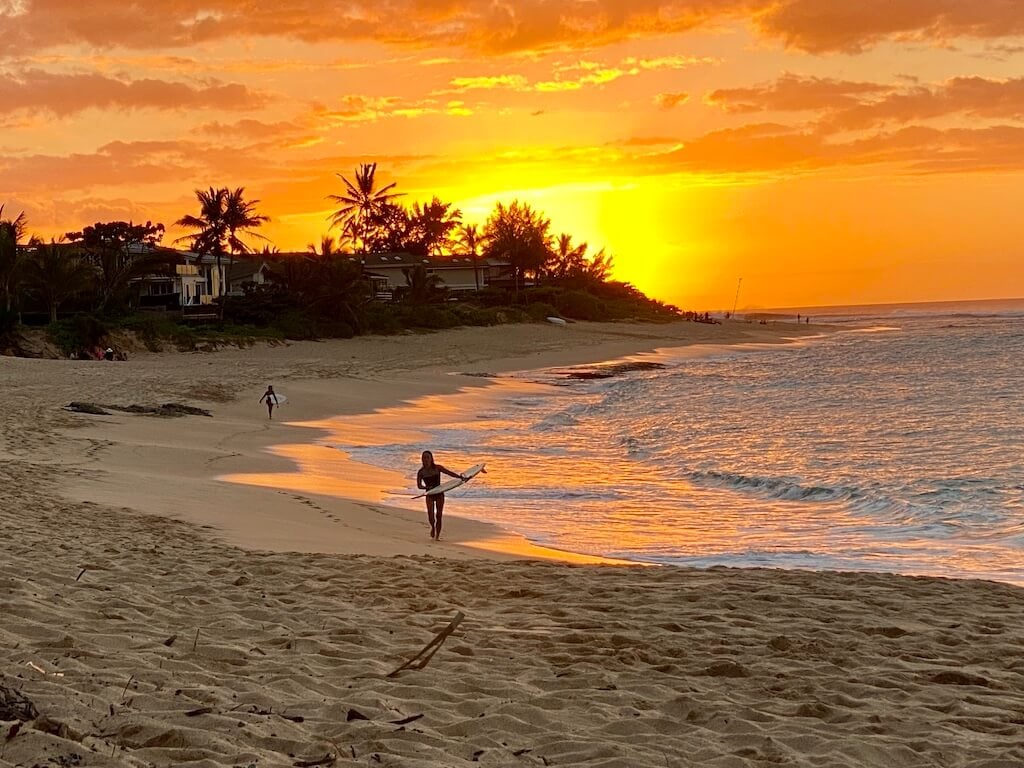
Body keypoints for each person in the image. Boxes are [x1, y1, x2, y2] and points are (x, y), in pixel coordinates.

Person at [416, 451, 465, 541]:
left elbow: (449, 473)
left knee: (439, 515)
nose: (426, 459)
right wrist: (426, 487)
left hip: (439, 493)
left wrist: (459, 477)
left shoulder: (437, 468)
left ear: (431, 459)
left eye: (427, 457)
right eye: (424, 458)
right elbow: (419, 486)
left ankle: (437, 536)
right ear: (422, 459)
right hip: (430, 494)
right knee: (430, 516)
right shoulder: (421, 472)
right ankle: (433, 527)